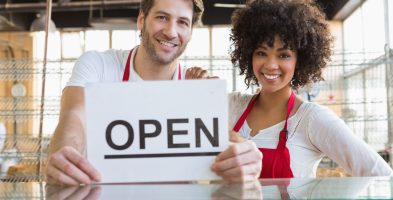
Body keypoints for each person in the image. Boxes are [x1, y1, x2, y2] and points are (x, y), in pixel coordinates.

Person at [46, 0, 262, 185]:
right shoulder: (99, 65)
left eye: (182, 22)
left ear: (190, 32)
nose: (171, 31)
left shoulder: (195, 87)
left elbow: (225, 142)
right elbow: (74, 115)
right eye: (162, 17)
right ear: (142, 20)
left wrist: (246, 157)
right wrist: (65, 155)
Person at [228, 0, 393, 178]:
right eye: (261, 53)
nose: (271, 65)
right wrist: (200, 84)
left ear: (300, 61)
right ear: (249, 55)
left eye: (284, 55)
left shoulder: (312, 119)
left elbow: (381, 175)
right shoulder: (231, 106)